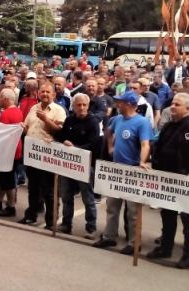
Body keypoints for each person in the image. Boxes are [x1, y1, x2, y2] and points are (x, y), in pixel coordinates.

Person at [147, 93, 189, 268]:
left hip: (186, 183)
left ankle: (188, 255)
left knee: (187, 219)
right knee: (167, 215)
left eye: (177, 104)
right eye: (172, 103)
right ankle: (165, 247)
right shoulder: (168, 126)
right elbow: (159, 147)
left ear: (188, 108)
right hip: (167, 179)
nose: (173, 107)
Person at [94, 91, 152, 254]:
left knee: (133, 211)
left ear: (129, 104)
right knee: (112, 207)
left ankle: (134, 243)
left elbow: (145, 144)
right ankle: (109, 236)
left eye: (120, 102)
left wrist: (142, 161)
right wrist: (111, 147)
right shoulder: (117, 119)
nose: (116, 104)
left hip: (132, 171)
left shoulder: (141, 122)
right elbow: (109, 132)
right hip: (117, 170)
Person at [19, 82, 67, 229]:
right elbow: (28, 128)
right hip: (32, 153)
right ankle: (31, 215)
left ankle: (51, 221)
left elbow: (60, 132)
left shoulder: (59, 110)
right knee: (33, 187)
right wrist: (23, 128)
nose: (45, 94)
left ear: (54, 94)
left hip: (47, 156)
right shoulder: (34, 107)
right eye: (43, 92)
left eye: (48, 92)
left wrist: (46, 119)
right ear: (39, 93)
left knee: (49, 190)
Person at [52, 93, 100, 235]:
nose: (81, 107)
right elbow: (62, 136)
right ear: (73, 106)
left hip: (85, 166)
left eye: (84, 105)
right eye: (78, 105)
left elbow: (93, 144)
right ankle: (67, 224)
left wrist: (74, 148)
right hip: (67, 164)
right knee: (66, 196)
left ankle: (91, 228)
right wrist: (57, 138)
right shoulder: (70, 120)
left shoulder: (93, 122)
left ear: (88, 106)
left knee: (88, 198)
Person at [0, 88, 24, 217]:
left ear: (6, 99)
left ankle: (11, 207)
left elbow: (1, 135)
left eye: (0, 97)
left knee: (8, 181)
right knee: (3, 178)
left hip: (8, 152)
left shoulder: (6, 114)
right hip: (15, 149)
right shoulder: (18, 111)